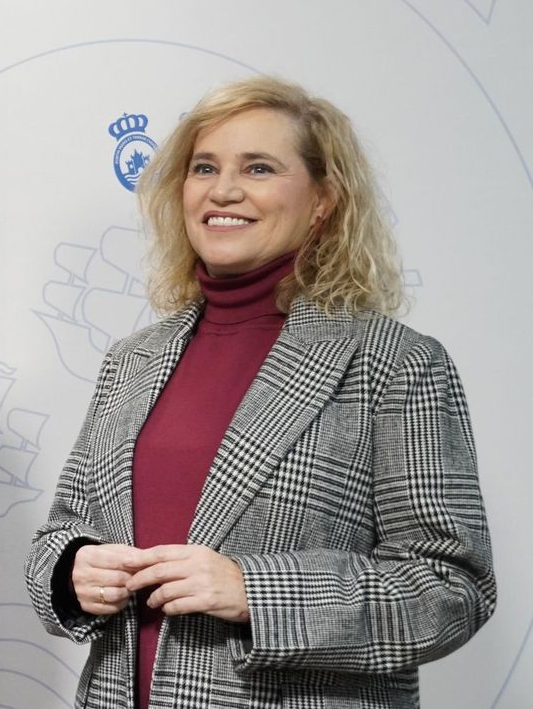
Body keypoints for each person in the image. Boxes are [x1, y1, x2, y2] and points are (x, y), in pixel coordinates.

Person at [26, 77, 495, 709]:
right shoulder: (132, 361)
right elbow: (63, 530)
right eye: (204, 167)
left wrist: (254, 592)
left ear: (323, 199)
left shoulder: (396, 363)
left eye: (259, 168)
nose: (223, 191)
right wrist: (71, 570)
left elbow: (451, 589)